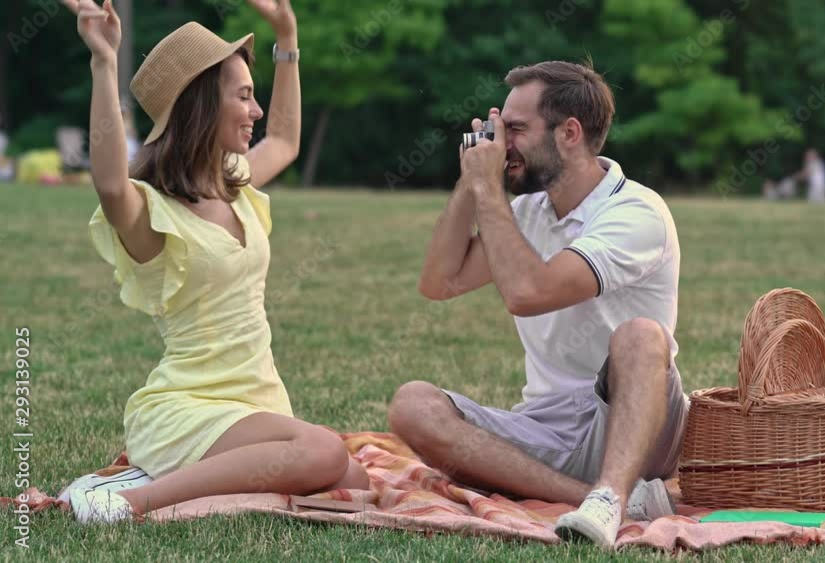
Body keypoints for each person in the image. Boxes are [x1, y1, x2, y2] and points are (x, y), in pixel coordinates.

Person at [61, 0, 368, 523]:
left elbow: (288, 140)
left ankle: (169, 485)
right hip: (186, 407)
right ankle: (123, 503)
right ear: (201, 105)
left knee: (352, 480)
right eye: (244, 96)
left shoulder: (234, 185)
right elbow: (111, 184)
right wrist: (103, 61)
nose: (256, 111)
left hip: (254, 402)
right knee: (324, 455)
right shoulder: (153, 213)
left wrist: (287, 32)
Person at [388, 61, 688, 548]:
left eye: (516, 129)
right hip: (547, 425)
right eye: (499, 129)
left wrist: (490, 189)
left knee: (640, 334)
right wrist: (473, 181)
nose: (502, 142)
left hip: (636, 421)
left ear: (569, 133)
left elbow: (530, 294)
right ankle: (601, 498)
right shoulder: (527, 213)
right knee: (411, 405)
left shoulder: (636, 212)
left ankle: (611, 495)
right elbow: (438, 282)